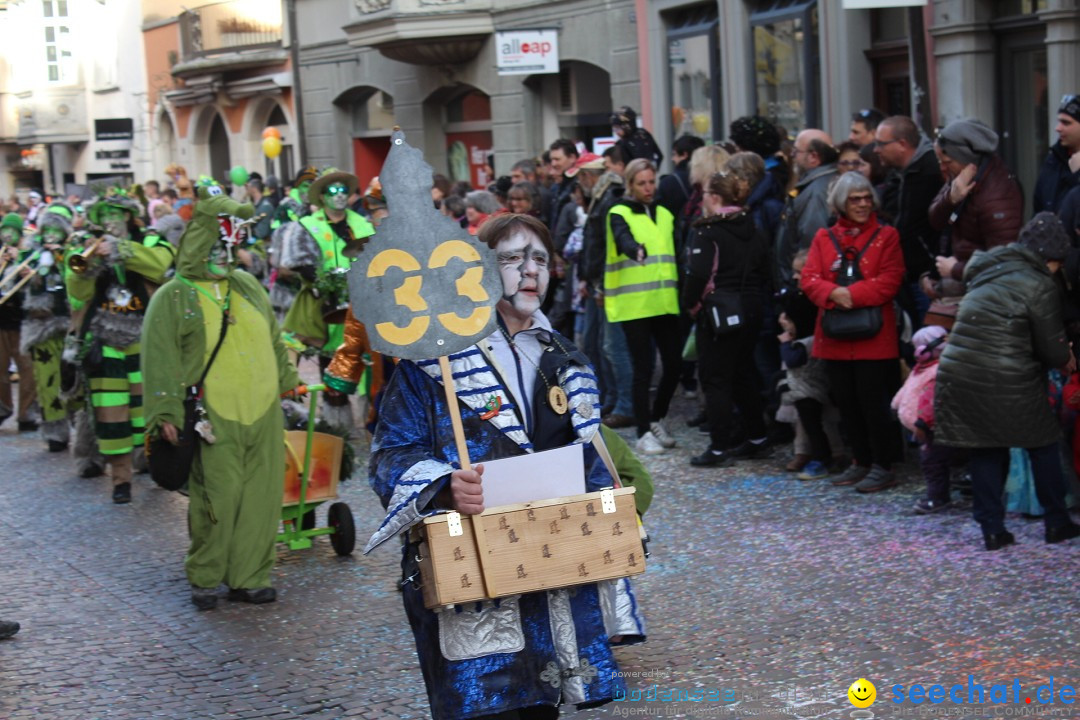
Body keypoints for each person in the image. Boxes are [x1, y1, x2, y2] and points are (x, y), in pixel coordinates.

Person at [365, 213, 638, 720]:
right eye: (512, 258)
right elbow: (388, 457)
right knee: (485, 708)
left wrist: (618, 530)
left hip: (553, 573)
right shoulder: (432, 361)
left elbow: (592, 462)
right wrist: (444, 486)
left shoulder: (567, 359)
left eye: (539, 258)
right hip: (473, 579)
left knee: (543, 709)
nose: (529, 270)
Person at [143, 182, 302, 609]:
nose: (221, 258)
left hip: (264, 412)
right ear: (196, 245)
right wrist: (164, 412)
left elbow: (272, 338)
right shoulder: (172, 296)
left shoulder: (247, 285)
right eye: (213, 249)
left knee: (261, 498)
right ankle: (207, 574)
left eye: (226, 251)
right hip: (213, 417)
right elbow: (159, 359)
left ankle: (249, 576)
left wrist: (288, 380)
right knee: (219, 496)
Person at [935, 213, 1080, 550]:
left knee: (986, 449)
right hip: (1007, 376)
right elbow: (1049, 344)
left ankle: (992, 529)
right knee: (1043, 445)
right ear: (1048, 258)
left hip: (961, 372)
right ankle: (1056, 522)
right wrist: (1065, 357)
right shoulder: (1038, 282)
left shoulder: (988, 269)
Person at [66, 189, 176, 503]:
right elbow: (76, 290)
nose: (109, 221)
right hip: (104, 337)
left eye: (114, 215)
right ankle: (120, 480)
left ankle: (156, 464)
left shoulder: (149, 240)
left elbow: (160, 264)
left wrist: (121, 250)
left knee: (147, 408)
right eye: (103, 217)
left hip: (144, 336)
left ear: (127, 215)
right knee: (111, 411)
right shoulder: (85, 245)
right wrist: (89, 266)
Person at [801, 172, 905, 493]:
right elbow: (809, 278)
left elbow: (891, 279)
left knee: (874, 404)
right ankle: (859, 460)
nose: (862, 204)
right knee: (846, 404)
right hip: (835, 337)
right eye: (854, 199)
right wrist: (833, 294)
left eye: (865, 198)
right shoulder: (823, 237)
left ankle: (882, 464)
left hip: (874, 337)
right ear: (840, 204)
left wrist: (851, 295)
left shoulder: (887, 236)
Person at [683, 169, 771, 466]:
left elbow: (698, 274)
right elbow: (765, 270)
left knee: (715, 378)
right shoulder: (754, 228)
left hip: (720, 311)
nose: (702, 199)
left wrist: (689, 303)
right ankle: (757, 435)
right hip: (753, 307)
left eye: (705, 194)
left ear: (716, 198)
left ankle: (719, 447)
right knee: (743, 373)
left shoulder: (708, 231)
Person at [605, 159, 681, 455]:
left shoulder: (664, 213)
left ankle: (657, 417)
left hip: (665, 301)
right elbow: (623, 237)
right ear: (630, 185)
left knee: (674, 365)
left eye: (652, 182)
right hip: (634, 304)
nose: (649, 188)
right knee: (643, 368)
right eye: (642, 183)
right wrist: (634, 249)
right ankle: (643, 431)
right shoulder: (618, 212)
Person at [278, 168, 375, 352]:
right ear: (322, 196)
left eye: (343, 191)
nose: (339, 196)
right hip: (323, 306)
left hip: (362, 303)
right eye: (333, 191)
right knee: (331, 360)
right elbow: (301, 264)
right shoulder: (306, 226)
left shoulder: (363, 223)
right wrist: (332, 283)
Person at [926, 119, 1023, 297]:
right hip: (971, 281)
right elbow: (935, 220)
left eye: (947, 162)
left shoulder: (997, 197)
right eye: (939, 161)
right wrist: (950, 199)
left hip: (988, 293)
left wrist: (955, 269)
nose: (942, 168)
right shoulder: (961, 176)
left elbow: (1003, 262)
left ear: (969, 161)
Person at [873, 116, 943, 324]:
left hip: (927, 277)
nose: (876, 149)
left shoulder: (930, 172)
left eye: (881, 144)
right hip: (914, 274)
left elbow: (939, 225)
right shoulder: (904, 173)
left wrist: (929, 269)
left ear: (902, 144)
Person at [21, 202, 76, 451]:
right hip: (40, 323)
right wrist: (26, 273)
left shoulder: (74, 252)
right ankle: (55, 433)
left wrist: (61, 258)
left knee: (76, 381)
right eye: (47, 231)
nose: (50, 236)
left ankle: (85, 430)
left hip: (69, 323)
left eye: (56, 231)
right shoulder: (31, 253)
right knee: (47, 381)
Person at [892, 325, 955, 514]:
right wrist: (896, 404)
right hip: (922, 426)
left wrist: (922, 423)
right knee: (933, 461)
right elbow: (908, 388)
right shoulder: (921, 369)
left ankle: (938, 497)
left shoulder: (937, 372)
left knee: (933, 463)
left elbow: (931, 402)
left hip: (931, 427)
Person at [775, 129, 839, 287]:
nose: (792, 156)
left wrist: (799, 279)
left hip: (805, 283)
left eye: (796, 151)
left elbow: (812, 240)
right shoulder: (813, 185)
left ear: (813, 157)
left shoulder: (816, 192)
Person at [0, 212, 37, 431]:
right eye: (5, 231)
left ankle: (27, 413)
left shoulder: (28, 255)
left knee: (28, 369)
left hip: (23, 321)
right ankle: (3, 406)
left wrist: (21, 267)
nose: (8, 236)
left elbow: (38, 284)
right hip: (1, 321)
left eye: (13, 232)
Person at [1033, 93, 1080, 214]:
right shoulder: (1053, 159)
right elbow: (1038, 211)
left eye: (1066, 123)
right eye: (1059, 121)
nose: (1057, 128)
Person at [656, 134, 704, 216]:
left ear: (685, 155)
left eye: (674, 154)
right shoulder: (706, 178)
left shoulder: (668, 182)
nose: (672, 159)